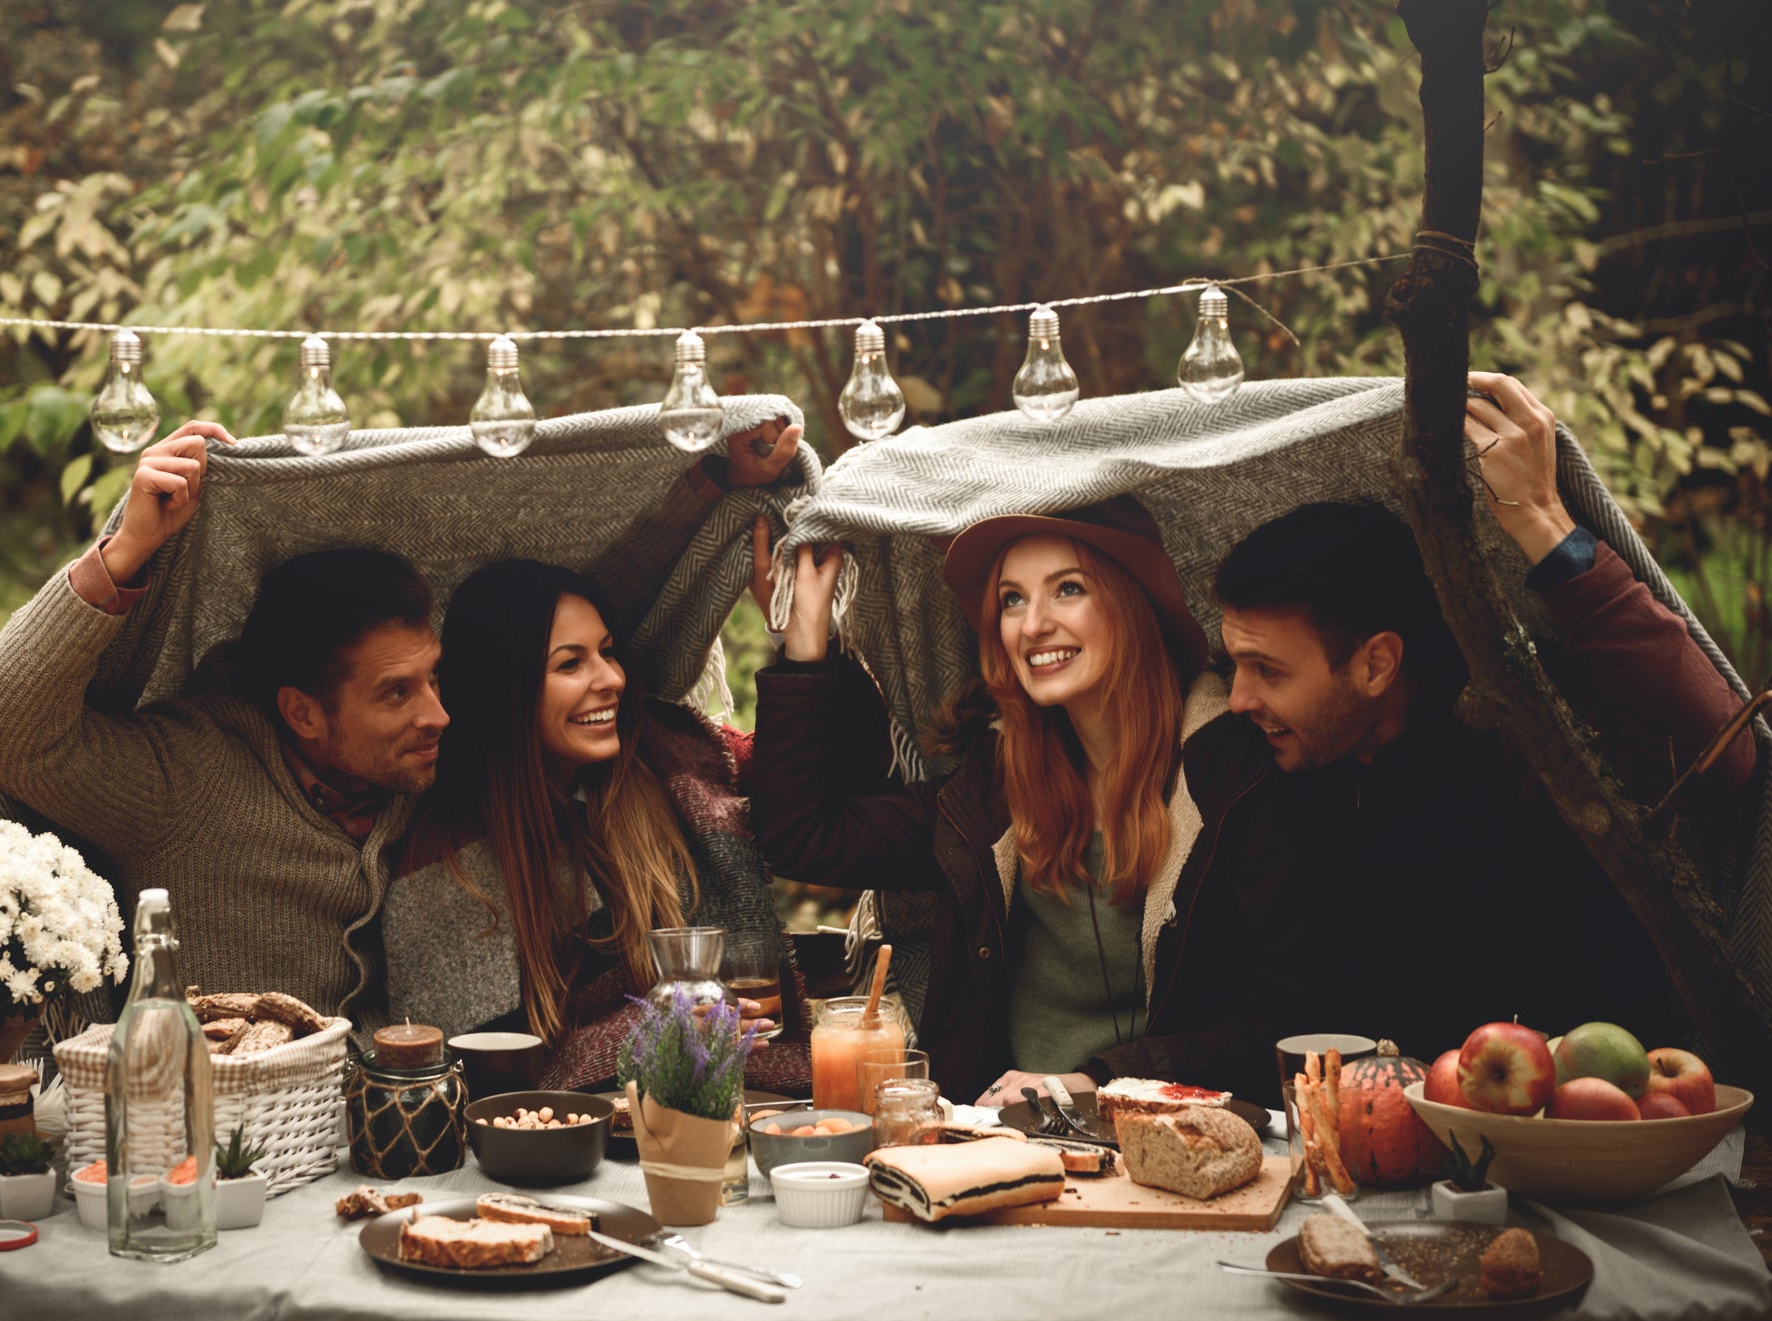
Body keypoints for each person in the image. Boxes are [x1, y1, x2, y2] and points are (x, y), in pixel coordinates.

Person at [0, 416, 800, 1021]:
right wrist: (127, 553)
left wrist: (708, 486)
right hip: (220, 1137)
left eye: (434, 680)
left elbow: (557, 618)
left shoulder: (426, 758)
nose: (439, 712)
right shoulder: (184, 776)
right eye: (396, 693)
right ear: (302, 713)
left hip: (387, 1141)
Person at [1213, 370, 1757, 1059]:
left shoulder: (1523, 730)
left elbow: (1719, 757)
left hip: (1566, 1127)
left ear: (1376, 664)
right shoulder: (1275, 764)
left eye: (1267, 670)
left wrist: (1539, 516)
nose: (1238, 699)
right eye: (1235, 664)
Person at [751, 497, 1335, 1106]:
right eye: (1012, 599)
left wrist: (1098, 1083)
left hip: (1177, 1136)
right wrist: (805, 647)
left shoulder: (1238, 778)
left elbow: (1286, 1023)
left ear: (1133, 602)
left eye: (1068, 589)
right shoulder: (994, 788)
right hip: (1005, 1138)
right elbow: (805, 834)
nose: (1031, 625)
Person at [377, 558, 812, 1091]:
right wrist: (651, 1032)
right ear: (503, 690)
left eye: (607, 652)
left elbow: (805, 787)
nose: (612, 680)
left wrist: (801, 647)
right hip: (549, 1147)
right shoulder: (446, 867)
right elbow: (465, 1078)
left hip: (738, 1109)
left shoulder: (677, 767)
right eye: (570, 664)